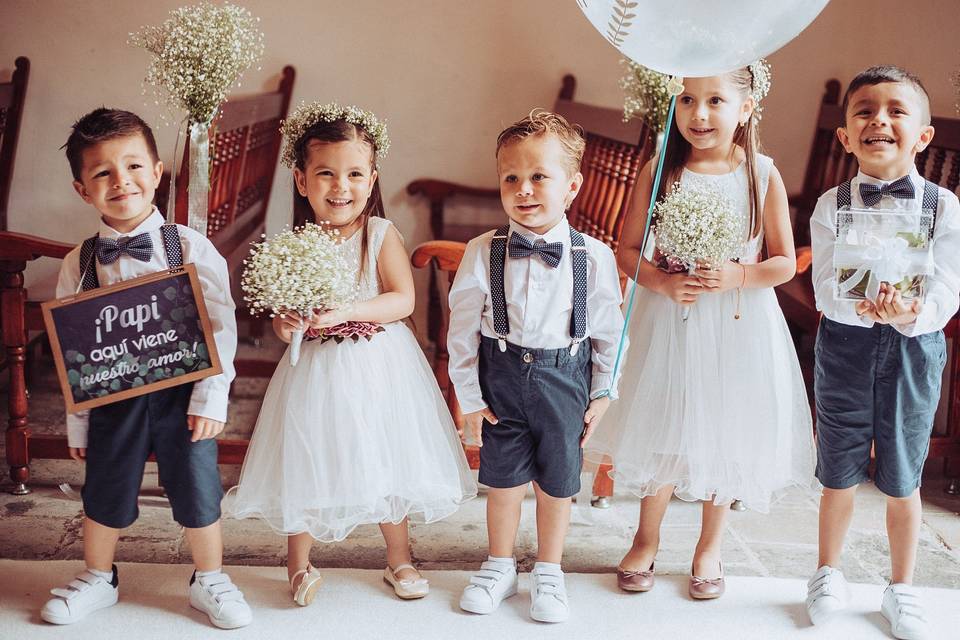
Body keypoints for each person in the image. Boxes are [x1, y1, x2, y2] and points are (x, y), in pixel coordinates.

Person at [226, 102, 476, 605]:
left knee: (386, 453)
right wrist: (287, 321)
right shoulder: (296, 243)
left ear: (372, 179)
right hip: (316, 367)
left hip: (378, 362)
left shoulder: (380, 234)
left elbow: (402, 300)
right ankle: (298, 564)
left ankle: (399, 557)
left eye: (355, 174)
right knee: (308, 453)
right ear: (301, 181)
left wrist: (344, 310)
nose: (341, 187)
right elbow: (280, 317)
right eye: (326, 174)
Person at [586, 65, 816, 600]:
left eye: (715, 100)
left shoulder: (762, 174)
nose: (700, 114)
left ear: (746, 109)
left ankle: (710, 545)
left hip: (738, 323)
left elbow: (784, 261)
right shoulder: (660, 168)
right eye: (687, 100)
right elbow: (626, 249)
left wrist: (739, 274)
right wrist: (663, 283)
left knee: (725, 431)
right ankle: (646, 538)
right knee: (665, 424)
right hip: (670, 317)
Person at [42, 108, 248, 629]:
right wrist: (78, 420)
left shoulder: (190, 247)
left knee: (197, 483)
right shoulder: (79, 262)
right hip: (115, 397)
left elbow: (220, 327)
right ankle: (98, 575)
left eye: (133, 166)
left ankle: (210, 577)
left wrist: (211, 397)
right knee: (105, 483)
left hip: (184, 395)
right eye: (102, 173)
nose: (121, 181)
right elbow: (77, 349)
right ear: (81, 188)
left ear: (157, 172)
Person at [447, 110, 624, 623]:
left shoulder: (595, 256)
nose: (524, 189)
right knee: (501, 479)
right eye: (511, 178)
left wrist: (603, 389)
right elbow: (461, 331)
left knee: (558, 480)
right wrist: (470, 396)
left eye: (538, 176)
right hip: (500, 376)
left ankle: (549, 568)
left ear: (572, 186)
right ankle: (499, 563)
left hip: (565, 379)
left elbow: (610, 330)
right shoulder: (484, 251)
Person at [806, 65, 960, 640]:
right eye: (865, 110)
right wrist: (860, 307)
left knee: (902, 471)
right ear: (846, 135)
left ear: (922, 135)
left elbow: (948, 285)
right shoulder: (831, 205)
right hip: (845, 343)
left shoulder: (944, 208)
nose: (880, 120)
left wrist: (909, 314)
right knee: (838, 466)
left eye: (897, 111)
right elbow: (824, 283)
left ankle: (903, 585)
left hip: (914, 348)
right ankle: (827, 571)